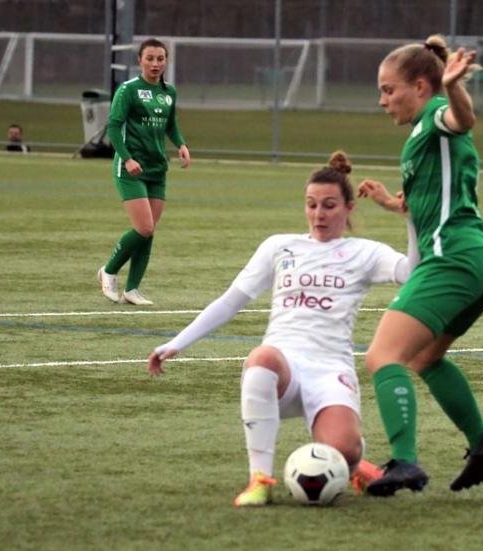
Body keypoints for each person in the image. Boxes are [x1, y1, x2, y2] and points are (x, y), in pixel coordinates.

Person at [148, 151, 420, 506]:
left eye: (329, 206)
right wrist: (177, 343)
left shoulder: (364, 252)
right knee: (261, 358)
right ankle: (259, 480)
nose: (318, 214)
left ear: (349, 208)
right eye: (311, 205)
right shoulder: (280, 246)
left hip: (330, 370)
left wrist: (409, 217)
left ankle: (353, 462)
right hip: (284, 368)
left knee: (342, 449)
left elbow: (412, 274)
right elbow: (232, 300)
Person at [357, 34, 483, 497]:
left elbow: (462, 119)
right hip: (481, 258)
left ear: (422, 86)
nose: (382, 100)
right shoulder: (423, 135)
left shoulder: (434, 118)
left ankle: (404, 462)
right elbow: (434, 202)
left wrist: (454, 86)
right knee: (425, 357)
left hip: (452, 259)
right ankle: (482, 447)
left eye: (388, 89)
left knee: (383, 356)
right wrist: (391, 203)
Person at [98, 38, 191, 306]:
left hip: (157, 169)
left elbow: (170, 125)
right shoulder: (128, 90)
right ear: (140, 60)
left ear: (166, 61)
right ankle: (109, 270)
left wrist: (181, 144)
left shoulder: (169, 91)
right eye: (150, 58)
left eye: (160, 58)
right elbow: (114, 127)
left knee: (149, 231)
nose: (155, 63)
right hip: (130, 169)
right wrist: (126, 159)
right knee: (144, 227)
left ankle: (132, 289)